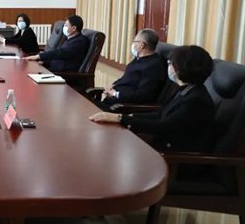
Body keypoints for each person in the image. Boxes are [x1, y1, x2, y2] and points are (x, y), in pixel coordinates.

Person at [90, 45, 218, 153]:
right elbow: (161, 114)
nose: (168, 64)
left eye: (171, 63)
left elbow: (163, 126)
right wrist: (128, 116)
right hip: (163, 146)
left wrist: (121, 118)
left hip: (176, 158)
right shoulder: (186, 89)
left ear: (180, 69)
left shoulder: (196, 100)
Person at [96, 29, 167, 110]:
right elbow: (127, 77)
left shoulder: (154, 66)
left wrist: (116, 94)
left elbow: (144, 95)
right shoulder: (139, 58)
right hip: (112, 101)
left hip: (121, 106)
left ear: (141, 45)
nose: (133, 44)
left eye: (135, 41)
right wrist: (113, 86)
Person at [24, 15, 89, 72]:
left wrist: (39, 56)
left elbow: (61, 53)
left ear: (74, 28)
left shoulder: (79, 42)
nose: (64, 27)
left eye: (66, 25)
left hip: (64, 74)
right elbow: (60, 56)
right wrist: (44, 62)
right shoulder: (71, 39)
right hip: (56, 69)